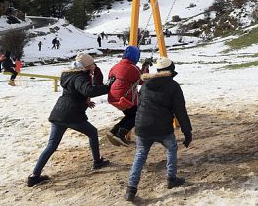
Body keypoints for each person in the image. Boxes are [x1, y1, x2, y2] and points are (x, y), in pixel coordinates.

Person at [27, 53, 111, 187]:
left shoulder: (71, 75)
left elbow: (75, 93)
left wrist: (85, 102)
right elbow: (88, 90)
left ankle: (34, 176)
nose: (94, 66)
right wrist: (107, 87)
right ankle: (97, 162)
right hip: (71, 115)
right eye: (92, 64)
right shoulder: (80, 77)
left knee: (51, 146)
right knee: (93, 133)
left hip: (59, 112)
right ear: (87, 66)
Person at [124, 57, 192, 201]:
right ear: (171, 70)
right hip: (162, 127)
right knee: (172, 148)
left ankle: (131, 188)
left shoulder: (146, 84)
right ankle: (171, 179)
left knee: (140, 155)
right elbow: (180, 111)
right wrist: (187, 132)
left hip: (142, 126)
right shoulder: (173, 86)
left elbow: (140, 103)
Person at [107, 46, 143, 147]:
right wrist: (145, 68)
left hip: (113, 97)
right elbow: (142, 80)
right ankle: (120, 134)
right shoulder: (133, 68)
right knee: (137, 115)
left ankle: (113, 131)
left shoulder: (115, 66)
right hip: (124, 98)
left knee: (130, 115)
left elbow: (110, 78)